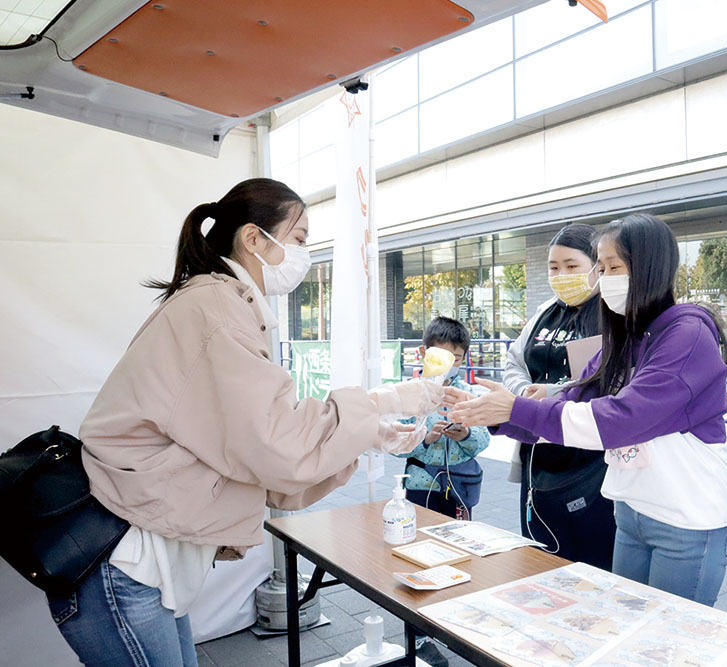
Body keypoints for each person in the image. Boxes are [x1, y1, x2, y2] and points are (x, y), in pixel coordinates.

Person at [49, 179, 442, 667]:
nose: (304, 254)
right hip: (123, 560)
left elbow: (261, 447)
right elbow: (281, 447)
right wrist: (384, 401)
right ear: (254, 238)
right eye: (298, 239)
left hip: (138, 557)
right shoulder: (216, 310)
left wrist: (370, 433)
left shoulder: (218, 302)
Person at [449, 213, 727, 604]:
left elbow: (623, 419)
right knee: (625, 630)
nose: (602, 279)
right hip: (632, 509)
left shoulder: (687, 335)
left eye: (613, 267)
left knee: (668, 645)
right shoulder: (623, 338)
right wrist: (494, 413)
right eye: (600, 268)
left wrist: (516, 408)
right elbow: (572, 403)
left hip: (687, 517)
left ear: (649, 268)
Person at [502, 223, 615, 570]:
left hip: (590, 463)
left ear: (596, 267)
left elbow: (606, 381)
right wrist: (522, 393)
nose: (561, 275)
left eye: (571, 266)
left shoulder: (611, 315)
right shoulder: (544, 312)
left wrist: (549, 394)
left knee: (591, 564)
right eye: (554, 267)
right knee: (540, 558)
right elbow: (514, 362)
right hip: (537, 456)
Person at [396, 316, 490, 520]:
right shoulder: (410, 394)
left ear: (465, 358)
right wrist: (425, 440)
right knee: (419, 539)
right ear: (424, 353)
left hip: (459, 485)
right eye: (441, 357)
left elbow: (484, 440)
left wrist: (465, 435)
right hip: (420, 484)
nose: (448, 364)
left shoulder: (467, 394)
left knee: (458, 541)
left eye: (455, 358)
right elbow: (395, 445)